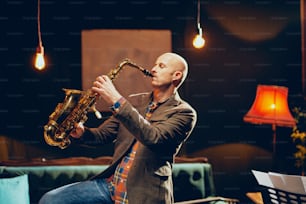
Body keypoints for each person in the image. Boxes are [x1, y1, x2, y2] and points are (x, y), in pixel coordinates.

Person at [39, 52, 197, 204]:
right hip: (111, 186)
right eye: (155, 64)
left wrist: (116, 100)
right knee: (51, 199)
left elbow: (153, 138)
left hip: (144, 193)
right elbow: (102, 135)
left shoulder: (184, 113)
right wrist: (81, 133)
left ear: (176, 75)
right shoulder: (136, 102)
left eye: (161, 66)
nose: (154, 69)